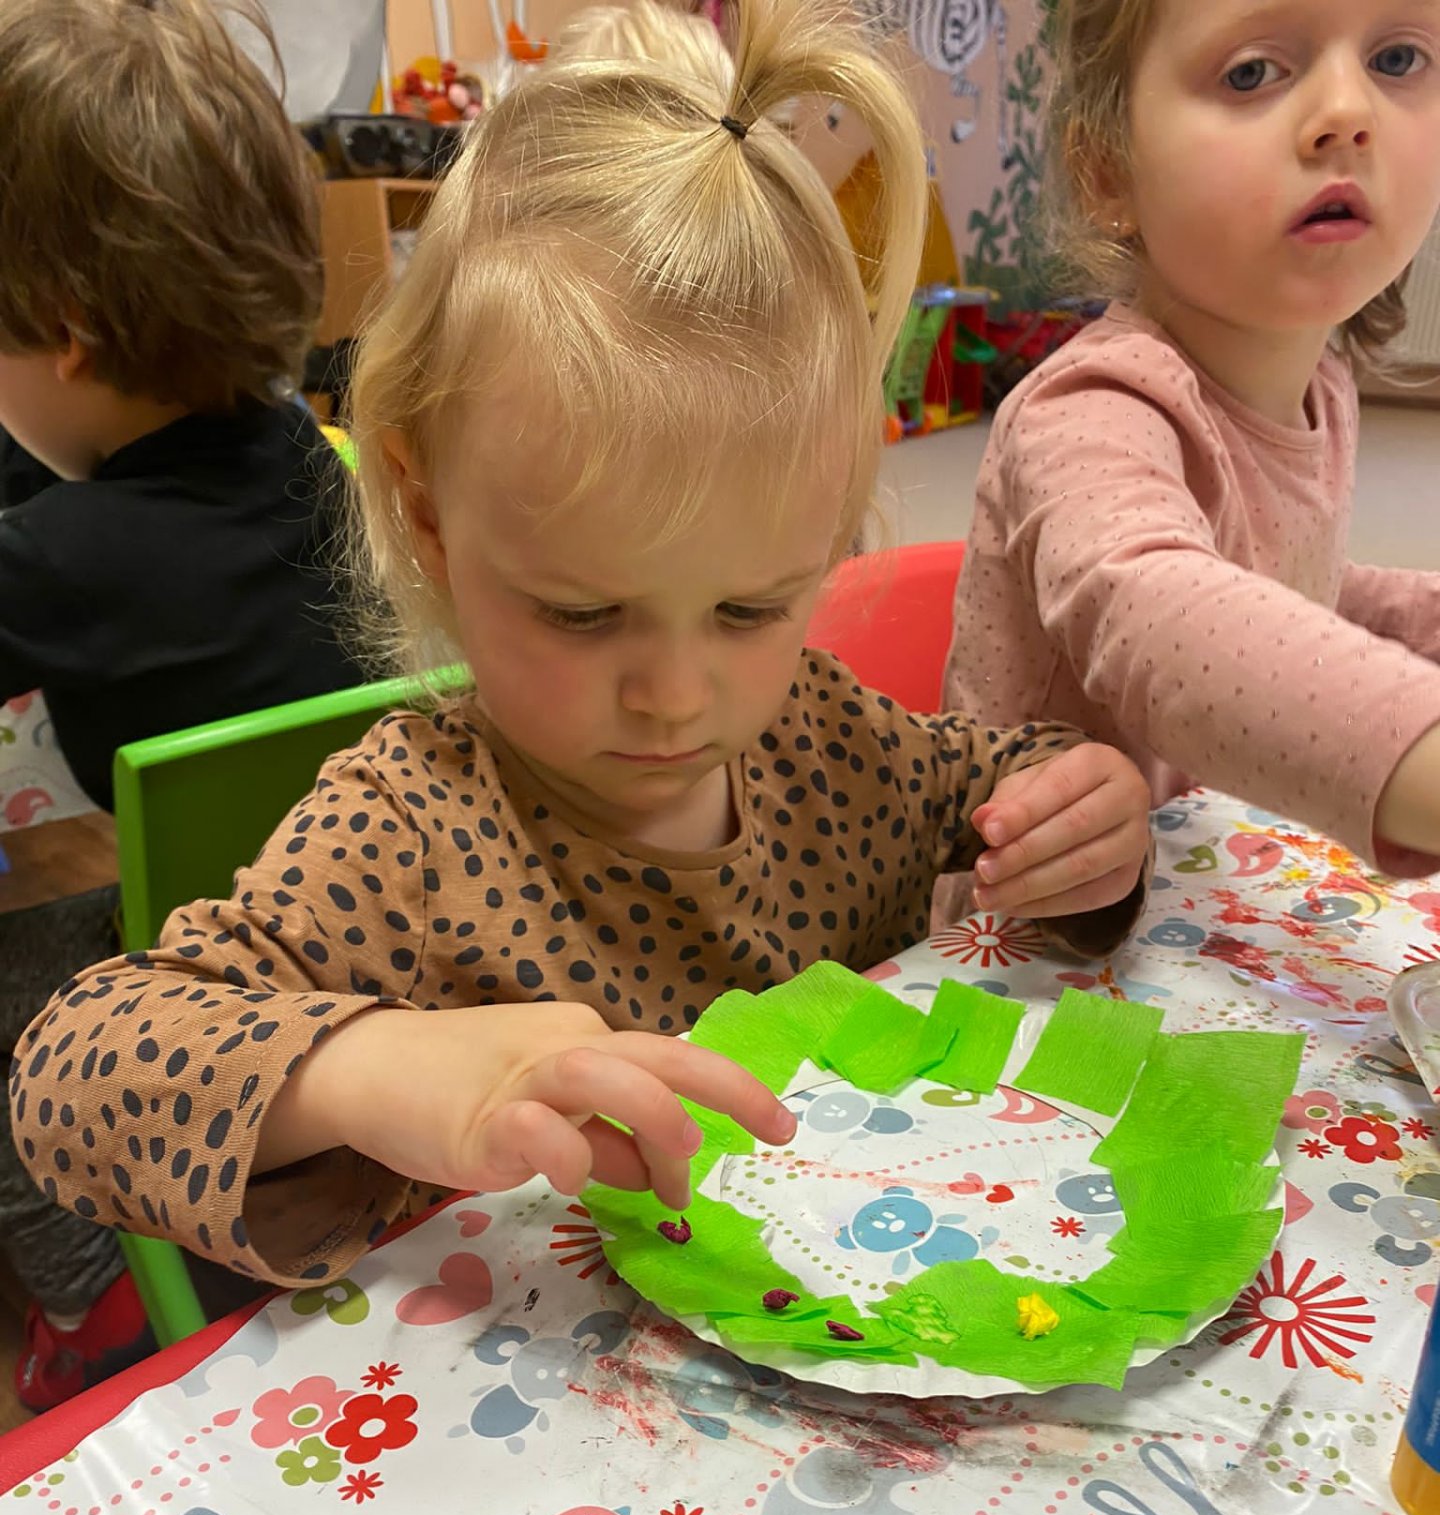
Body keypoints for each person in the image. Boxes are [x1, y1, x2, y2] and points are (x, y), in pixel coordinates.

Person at [10, 0, 1152, 1300]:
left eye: (748, 610)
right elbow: (72, 1075)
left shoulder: (828, 745)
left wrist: (1084, 817)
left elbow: (995, 781)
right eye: (582, 614)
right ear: (430, 519)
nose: (674, 696)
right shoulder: (416, 835)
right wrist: (375, 1066)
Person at [0, 0, 365, 1408]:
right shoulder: (310, 459)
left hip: (195, 996)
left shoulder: (53, 564)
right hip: (358, 938)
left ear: (68, 336)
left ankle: (87, 1294)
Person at [943, 0, 1440, 879]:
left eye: (1397, 60)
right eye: (1252, 72)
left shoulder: (1323, 386)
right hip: (1049, 939)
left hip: (1214, 884)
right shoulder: (1087, 408)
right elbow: (1158, 616)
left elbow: (1281, 583)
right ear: (1107, 173)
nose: (1347, 113)